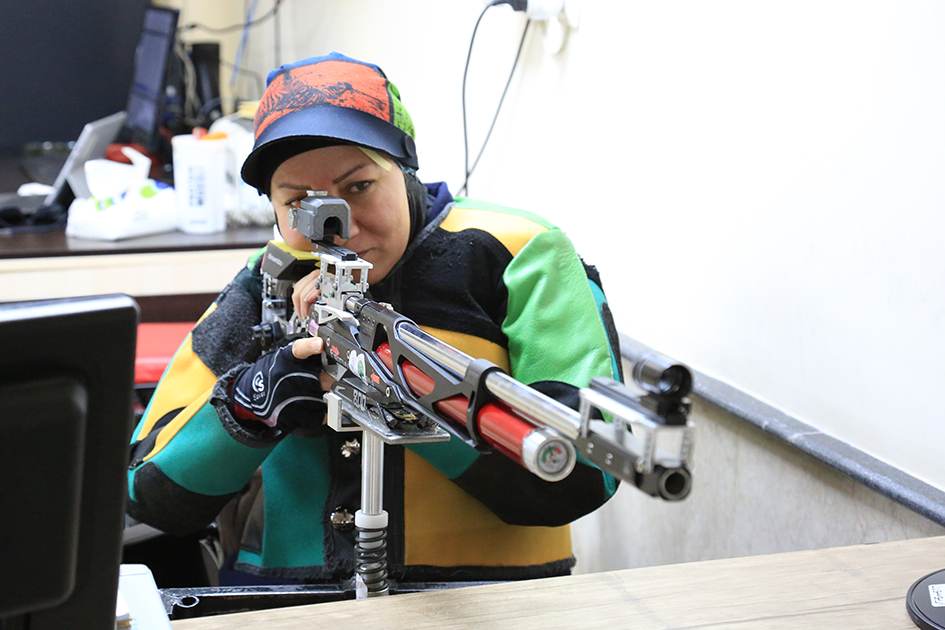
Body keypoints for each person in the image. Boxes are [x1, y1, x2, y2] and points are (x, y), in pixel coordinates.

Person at [127, 52, 624, 586]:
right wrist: (255, 405)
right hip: (290, 598)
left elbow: (585, 472)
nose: (337, 226)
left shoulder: (518, 252)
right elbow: (148, 491)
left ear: (405, 172)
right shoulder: (269, 275)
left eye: (358, 187)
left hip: (487, 599)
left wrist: (413, 402)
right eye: (298, 202)